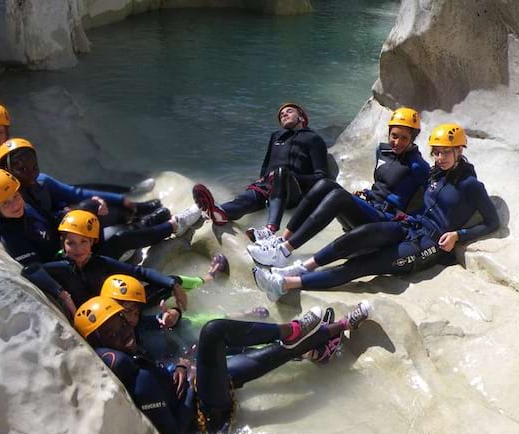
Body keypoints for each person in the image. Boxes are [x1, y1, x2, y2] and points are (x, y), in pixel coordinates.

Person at [74, 296, 373, 434]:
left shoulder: (132, 352)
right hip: (206, 416)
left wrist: (181, 365)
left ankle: (338, 329)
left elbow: (161, 369)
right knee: (214, 332)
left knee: (268, 356)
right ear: (101, 345)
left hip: (201, 390)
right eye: (112, 333)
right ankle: (291, 330)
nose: (124, 331)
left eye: (123, 323)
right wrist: (189, 376)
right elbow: (177, 433)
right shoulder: (136, 380)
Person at [252, 123, 500, 300]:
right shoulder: (437, 174)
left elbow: (492, 223)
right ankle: (302, 266)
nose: (440, 157)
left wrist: (459, 234)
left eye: (446, 151)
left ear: (460, 150)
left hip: (428, 244)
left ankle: (285, 284)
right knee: (359, 236)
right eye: (436, 152)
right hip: (409, 225)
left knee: (361, 265)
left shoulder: (471, 185)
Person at [247, 107, 430, 267]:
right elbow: (380, 184)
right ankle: (281, 239)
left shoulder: (418, 166)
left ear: (414, 138)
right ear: (389, 132)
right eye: (394, 136)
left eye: (404, 138)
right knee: (325, 184)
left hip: (382, 220)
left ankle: (283, 253)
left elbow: (431, 198)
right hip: (367, 209)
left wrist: (411, 223)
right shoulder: (382, 151)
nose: (397, 142)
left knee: (339, 197)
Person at [0, 138, 202, 258]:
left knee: (90, 205)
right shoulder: (2, 202)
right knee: (120, 238)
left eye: (33, 167)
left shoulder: (37, 184)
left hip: (68, 238)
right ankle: (174, 225)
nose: (14, 203)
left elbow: (70, 198)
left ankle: (144, 216)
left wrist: (66, 213)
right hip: (68, 252)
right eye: (7, 202)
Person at [21, 211, 223, 317]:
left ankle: (207, 278)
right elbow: (30, 269)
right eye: (71, 243)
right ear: (63, 245)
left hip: (123, 310)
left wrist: (173, 286)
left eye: (84, 241)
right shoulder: (62, 267)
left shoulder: (100, 262)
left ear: (92, 243)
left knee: (171, 281)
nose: (78, 248)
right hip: (97, 320)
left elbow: (139, 272)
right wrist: (62, 294)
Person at [192, 103, 330, 232]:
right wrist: (261, 180)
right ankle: (220, 212)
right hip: (268, 187)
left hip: (292, 190)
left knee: (280, 173)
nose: (284, 115)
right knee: (246, 198)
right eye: (281, 114)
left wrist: (294, 177)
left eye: (289, 111)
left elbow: (322, 176)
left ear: (301, 117)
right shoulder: (276, 137)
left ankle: (271, 228)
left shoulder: (313, 139)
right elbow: (265, 165)